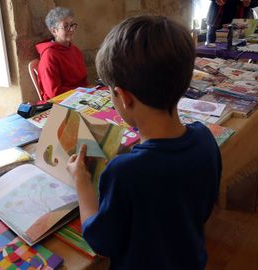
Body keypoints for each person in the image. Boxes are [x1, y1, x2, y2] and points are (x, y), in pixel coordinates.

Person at [66, 16, 222, 269]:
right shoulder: (204, 138)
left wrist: (81, 181)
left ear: (123, 97)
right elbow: (202, 206)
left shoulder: (124, 172)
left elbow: (100, 241)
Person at [36, 7, 87, 100]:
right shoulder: (49, 56)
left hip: (81, 98)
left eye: (72, 25)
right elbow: (54, 92)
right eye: (66, 26)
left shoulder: (75, 50)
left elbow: (83, 80)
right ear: (54, 31)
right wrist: (81, 92)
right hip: (60, 103)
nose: (71, 29)